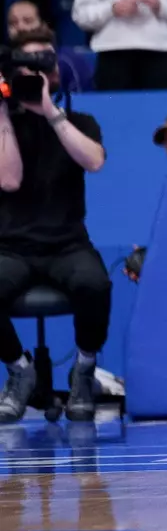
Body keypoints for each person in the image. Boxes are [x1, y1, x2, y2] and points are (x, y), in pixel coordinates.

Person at [0, 25, 106, 423]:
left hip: (67, 244)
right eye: (27, 63)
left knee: (95, 285)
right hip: (12, 246)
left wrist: (50, 111)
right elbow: (8, 179)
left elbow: (94, 161)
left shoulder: (79, 119)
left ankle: (83, 371)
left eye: (44, 61)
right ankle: (19, 371)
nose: (37, 71)